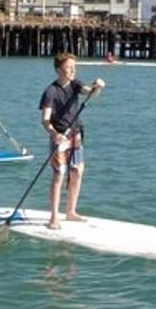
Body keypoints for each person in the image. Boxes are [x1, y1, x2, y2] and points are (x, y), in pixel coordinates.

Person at [40, 52, 105, 229]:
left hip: (76, 134)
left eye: (74, 67)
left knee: (77, 171)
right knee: (59, 174)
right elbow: (45, 120)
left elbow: (90, 92)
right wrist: (54, 134)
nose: (73, 70)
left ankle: (71, 211)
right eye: (69, 68)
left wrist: (97, 87)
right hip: (59, 137)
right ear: (58, 70)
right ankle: (54, 217)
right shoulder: (50, 92)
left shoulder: (76, 84)